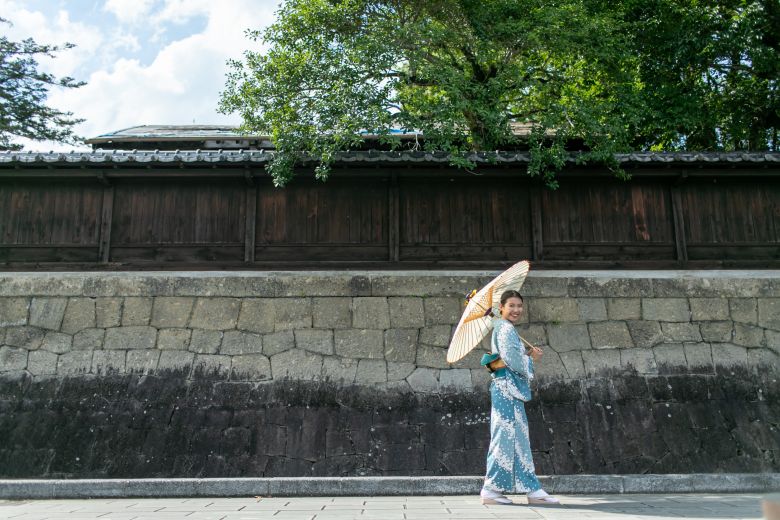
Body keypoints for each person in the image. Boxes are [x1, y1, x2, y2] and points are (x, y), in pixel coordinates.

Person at [480, 290, 560, 505]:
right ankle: (502, 490)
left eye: (519, 306)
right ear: (501, 308)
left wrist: (525, 356)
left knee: (510, 438)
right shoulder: (505, 329)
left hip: (505, 389)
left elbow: (509, 359)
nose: (516, 310)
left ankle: (518, 489)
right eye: (511, 306)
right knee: (508, 438)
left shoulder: (503, 328)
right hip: (507, 390)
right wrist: (531, 358)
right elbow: (514, 363)